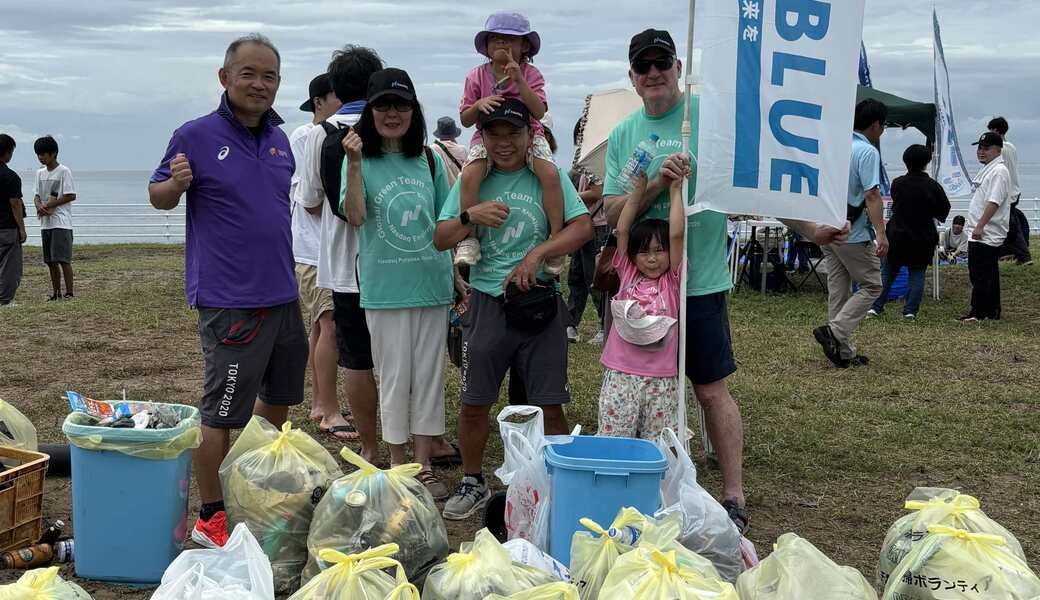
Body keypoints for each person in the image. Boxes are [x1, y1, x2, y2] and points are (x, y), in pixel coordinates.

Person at [148, 34, 308, 548]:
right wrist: (176, 184)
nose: (260, 84)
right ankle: (211, 515)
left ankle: (252, 489)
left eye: (270, 76)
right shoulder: (194, 136)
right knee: (220, 411)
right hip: (230, 301)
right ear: (225, 78)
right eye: (249, 74)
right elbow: (158, 198)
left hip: (283, 295)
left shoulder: (283, 140)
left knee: (278, 399)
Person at [601, 28, 749, 531]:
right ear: (633, 77)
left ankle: (733, 493)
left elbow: (746, 183)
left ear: (678, 68)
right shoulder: (624, 134)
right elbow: (612, 209)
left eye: (661, 63)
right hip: (641, 295)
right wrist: (659, 183)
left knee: (710, 390)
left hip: (700, 279)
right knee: (639, 392)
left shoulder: (711, 120)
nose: (653, 74)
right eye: (643, 67)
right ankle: (639, 485)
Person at [434, 98, 592, 520]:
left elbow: (582, 226)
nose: (505, 143)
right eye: (494, 134)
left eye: (514, 133)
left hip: (540, 304)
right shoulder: (475, 178)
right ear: (482, 138)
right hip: (487, 304)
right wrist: (471, 216)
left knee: (549, 404)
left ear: (529, 136)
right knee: (474, 401)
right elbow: (441, 236)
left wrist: (538, 253)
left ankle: (555, 482)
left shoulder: (548, 176)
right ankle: (472, 480)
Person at [340, 68, 455, 498]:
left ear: (414, 110)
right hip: (384, 288)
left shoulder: (428, 159)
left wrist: (459, 274)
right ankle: (397, 462)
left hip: (432, 283)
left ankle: (422, 463)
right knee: (392, 376)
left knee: (428, 374)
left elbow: (445, 220)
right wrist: (353, 164)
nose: (393, 113)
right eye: (383, 105)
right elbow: (354, 216)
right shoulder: (359, 159)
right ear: (369, 111)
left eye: (401, 105)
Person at [295, 45, 384, 464]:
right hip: (392, 259)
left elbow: (310, 200)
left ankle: (368, 441)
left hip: (341, 261)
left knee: (354, 353)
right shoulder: (391, 123)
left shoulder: (320, 133)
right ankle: (425, 440)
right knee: (402, 354)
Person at [454, 11, 565, 275]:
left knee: (549, 174)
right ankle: (468, 238)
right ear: (487, 47)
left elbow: (539, 111)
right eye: (496, 40)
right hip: (486, 135)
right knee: (470, 175)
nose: (502, 46)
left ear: (524, 46)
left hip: (529, 132)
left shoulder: (531, 74)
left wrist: (520, 81)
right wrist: (479, 105)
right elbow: (466, 119)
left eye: (510, 40)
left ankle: (556, 240)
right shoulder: (476, 77)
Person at [289, 73, 354, 440]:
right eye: (338, 97)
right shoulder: (309, 135)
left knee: (320, 325)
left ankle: (320, 402)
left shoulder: (322, 135)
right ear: (319, 102)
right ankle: (328, 408)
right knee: (329, 324)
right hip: (316, 250)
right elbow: (311, 202)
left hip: (314, 249)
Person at [598, 173, 684, 441]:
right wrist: (639, 190)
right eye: (644, 252)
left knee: (656, 447)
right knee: (615, 441)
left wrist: (675, 191)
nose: (652, 259)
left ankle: (651, 485)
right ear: (633, 257)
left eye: (660, 251)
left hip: (661, 381)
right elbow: (622, 229)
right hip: (621, 375)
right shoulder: (628, 275)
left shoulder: (674, 281)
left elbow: (677, 233)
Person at [812, 99, 888, 368]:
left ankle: (842, 352)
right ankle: (835, 332)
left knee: (839, 289)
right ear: (876, 124)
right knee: (873, 285)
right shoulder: (866, 152)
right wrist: (881, 232)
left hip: (826, 228)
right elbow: (871, 194)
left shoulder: (834, 147)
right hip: (852, 233)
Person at [867, 144, 950, 320]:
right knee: (917, 273)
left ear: (905, 162)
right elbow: (943, 210)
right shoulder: (933, 186)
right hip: (923, 236)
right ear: (926, 162)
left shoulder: (897, 184)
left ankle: (875, 306)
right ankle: (910, 311)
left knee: (888, 272)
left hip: (897, 234)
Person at [961, 132, 1013, 322]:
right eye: (980, 148)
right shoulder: (989, 169)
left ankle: (979, 312)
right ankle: (991, 310)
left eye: (986, 148)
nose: (981, 152)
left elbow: (994, 201)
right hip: (980, 229)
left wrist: (980, 226)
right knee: (987, 272)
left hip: (986, 231)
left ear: (998, 150)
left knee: (980, 273)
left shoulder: (999, 171)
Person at [566, 121, 608, 345]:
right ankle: (570, 323)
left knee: (595, 279)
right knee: (576, 277)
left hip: (597, 226)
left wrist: (569, 199)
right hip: (583, 225)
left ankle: (605, 325)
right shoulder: (584, 163)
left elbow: (598, 193)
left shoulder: (595, 163)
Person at [32, 136, 76, 301]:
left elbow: (71, 195)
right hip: (46, 223)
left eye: (43, 154)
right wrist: (39, 206)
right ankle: (56, 292)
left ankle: (69, 292)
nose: (40, 157)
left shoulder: (64, 171)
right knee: (50, 261)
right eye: (38, 154)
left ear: (53, 153)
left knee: (63, 259)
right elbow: (36, 195)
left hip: (61, 222)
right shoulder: (39, 173)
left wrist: (51, 205)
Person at [988, 117, 1032, 265]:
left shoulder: (1000, 150)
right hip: (1015, 191)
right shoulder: (1011, 147)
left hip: (1006, 193)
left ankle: (1024, 256)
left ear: (995, 130)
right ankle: (1011, 254)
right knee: (1010, 224)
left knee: (1011, 227)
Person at [0, 134, 25, 306]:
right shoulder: (10, 176)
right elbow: (15, 204)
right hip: (7, 227)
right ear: (7, 153)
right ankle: (5, 300)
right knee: (9, 266)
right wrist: (22, 229)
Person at [429, 116, 467, 184]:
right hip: (457, 192)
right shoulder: (462, 149)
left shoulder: (432, 149)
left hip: (440, 191)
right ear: (454, 134)